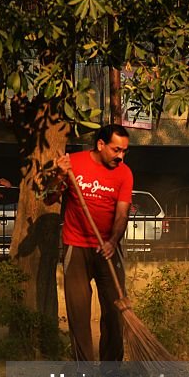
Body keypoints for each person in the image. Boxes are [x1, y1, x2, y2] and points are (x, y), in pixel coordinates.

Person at [47, 124, 133, 362]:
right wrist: (59, 176)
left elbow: (122, 214)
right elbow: (49, 197)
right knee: (79, 315)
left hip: (108, 250)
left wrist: (113, 241)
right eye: (117, 150)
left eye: (125, 151)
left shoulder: (124, 173)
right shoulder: (73, 163)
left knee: (115, 312)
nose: (121, 156)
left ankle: (111, 371)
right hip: (76, 246)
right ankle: (83, 371)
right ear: (100, 144)